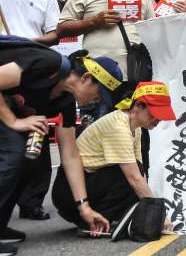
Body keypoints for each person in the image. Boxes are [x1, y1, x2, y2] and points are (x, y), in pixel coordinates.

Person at [1, 42, 122, 254]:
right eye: (98, 95)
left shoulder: (65, 101)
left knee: (32, 161)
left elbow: (70, 155)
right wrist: (13, 121)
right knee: (13, 154)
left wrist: (84, 207)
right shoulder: (49, 63)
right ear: (85, 79)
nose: (95, 101)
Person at [52, 81, 176, 236]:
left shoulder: (134, 127)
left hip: (86, 184)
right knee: (128, 176)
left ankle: (107, 217)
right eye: (154, 114)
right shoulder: (118, 126)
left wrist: (151, 211)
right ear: (137, 106)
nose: (158, 120)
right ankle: (92, 223)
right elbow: (134, 179)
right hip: (70, 191)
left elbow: (140, 174)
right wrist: (159, 215)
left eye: (161, 115)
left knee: (138, 170)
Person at [0, 0, 61, 222]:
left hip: (35, 72)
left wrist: (31, 44)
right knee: (9, 144)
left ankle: (33, 201)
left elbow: (54, 34)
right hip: (3, 71)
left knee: (36, 135)